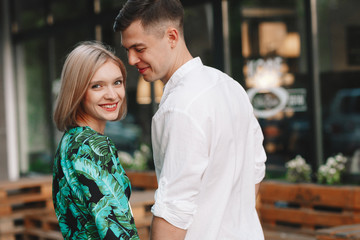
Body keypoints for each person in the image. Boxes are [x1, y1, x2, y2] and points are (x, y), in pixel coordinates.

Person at [114, 0, 267, 239]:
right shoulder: (230, 86)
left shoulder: (178, 107)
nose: (131, 60)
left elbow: (173, 211)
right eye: (127, 50)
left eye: (139, 48)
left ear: (172, 37)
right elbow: (255, 170)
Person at [52, 41, 139, 240]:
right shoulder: (93, 146)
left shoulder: (70, 141)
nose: (112, 95)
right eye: (97, 86)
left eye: (117, 82)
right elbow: (117, 232)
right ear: (77, 91)